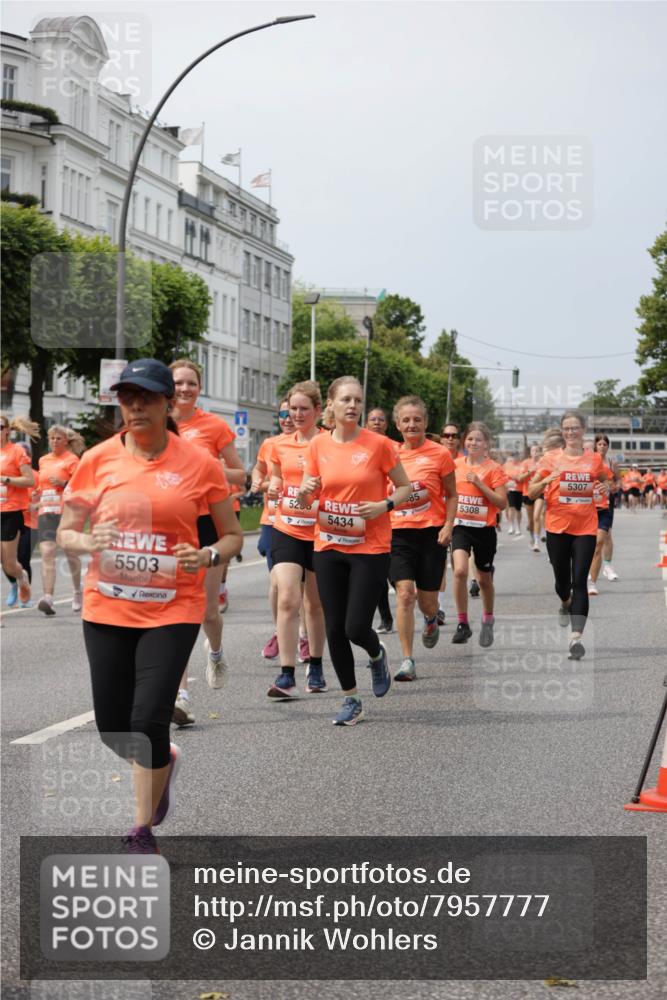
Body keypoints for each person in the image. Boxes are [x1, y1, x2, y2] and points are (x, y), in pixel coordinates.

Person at [57, 359, 242, 853]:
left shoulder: (198, 463)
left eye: (146, 397)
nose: (135, 406)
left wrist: (207, 555)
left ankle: (141, 830)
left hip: (173, 606)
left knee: (148, 721)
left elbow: (231, 535)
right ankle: (163, 763)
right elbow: (66, 532)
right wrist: (88, 540)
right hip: (107, 607)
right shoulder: (96, 459)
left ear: (167, 403)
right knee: (113, 729)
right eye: (127, 398)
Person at [297, 376, 411, 725]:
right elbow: (307, 499)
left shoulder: (379, 445)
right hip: (328, 543)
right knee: (334, 627)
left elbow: (405, 487)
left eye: (358, 400)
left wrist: (384, 505)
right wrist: (303, 491)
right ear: (331, 404)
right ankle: (351, 699)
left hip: (369, 546)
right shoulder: (317, 445)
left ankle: (376, 654)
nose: (353, 406)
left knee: (355, 627)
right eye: (346, 399)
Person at [169, 359, 246, 726]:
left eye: (191, 383)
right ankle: (181, 695)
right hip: (171, 523)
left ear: (199, 388)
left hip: (207, 522)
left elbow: (240, 475)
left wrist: (211, 469)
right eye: (178, 383)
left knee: (207, 612)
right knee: (177, 609)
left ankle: (215, 653)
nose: (185, 389)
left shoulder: (213, 426)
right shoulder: (156, 424)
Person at [528, 410, 607, 660]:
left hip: (585, 528)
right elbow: (530, 492)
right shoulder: (550, 458)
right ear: (562, 431)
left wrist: (605, 486)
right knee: (562, 583)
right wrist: (546, 481)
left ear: (583, 430)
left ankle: (576, 638)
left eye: (575, 428)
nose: (571, 432)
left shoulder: (594, 459)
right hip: (557, 529)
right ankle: (564, 602)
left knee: (579, 581)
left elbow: (606, 481)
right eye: (567, 428)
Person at [266, 381, 327, 698]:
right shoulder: (280, 445)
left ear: (318, 410)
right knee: (288, 597)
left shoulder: (329, 443)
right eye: (293, 409)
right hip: (286, 527)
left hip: (319, 532)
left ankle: (315, 664)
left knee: (313, 604)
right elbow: (276, 477)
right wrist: (273, 487)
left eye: (304, 409)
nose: (298, 414)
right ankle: (286, 673)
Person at [389, 396, 457, 681]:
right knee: (405, 594)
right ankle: (407, 660)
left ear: (426, 423)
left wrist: (448, 525)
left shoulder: (440, 454)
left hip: (431, 535)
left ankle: (431, 618)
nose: (411, 424)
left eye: (417, 419)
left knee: (427, 602)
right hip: (397, 534)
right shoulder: (389, 454)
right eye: (406, 420)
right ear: (397, 424)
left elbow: (451, 494)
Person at [450, 422, 507, 647]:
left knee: (484, 579)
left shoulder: (494, 469)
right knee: (460, 571)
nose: (473, 443)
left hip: (484, 530)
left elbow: (501, 503)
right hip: (460, 527)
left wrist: (481, 485)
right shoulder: (455, 465)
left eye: (478, 439)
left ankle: (488, 619)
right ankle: (462, 623)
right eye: (470, 439)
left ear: (486, 444)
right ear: (464, 441)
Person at [251, 400, 294, 660]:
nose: (288, 418)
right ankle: (280, 631)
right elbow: (259, 469)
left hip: (304, 521)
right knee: (278, 581)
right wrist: (258, 480)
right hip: (273, 519)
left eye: (293, 413)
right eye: (284, 414)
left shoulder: (316, 442)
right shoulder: (270, 444)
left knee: (302, 588)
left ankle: (304, 635)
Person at [35, 425, 85, 616]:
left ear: (66, 441)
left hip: (67, 512)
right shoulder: (43, 460)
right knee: (47, 552)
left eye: (58, 438)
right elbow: (42, 484)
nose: (54, 441)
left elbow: (81, 485)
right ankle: (48, 598)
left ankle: (77, 591)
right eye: (52, 438)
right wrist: (37, 493)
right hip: (47, 510)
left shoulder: (72, 460)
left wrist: (64, 483)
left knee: (70, 553)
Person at [1, 415, 38, 606]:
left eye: (0, 427)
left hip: (10, 512)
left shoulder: (17, 452)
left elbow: (29, 480)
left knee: (9, 564)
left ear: (7, 430)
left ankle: (22, 577)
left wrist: (6, 479)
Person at [365, 407, 394, 633]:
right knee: (377, 576)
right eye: (372, 419)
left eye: (380, 419)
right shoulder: (361, 447)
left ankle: (418, 604)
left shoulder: (394, 447)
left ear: (386, 424)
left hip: (396, 516)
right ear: (366, 423)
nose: (376, 422)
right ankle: (386, 618)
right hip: (370, 519)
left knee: (396, 575)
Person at [437, 423, 464, 623]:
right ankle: (440, 607)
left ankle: (461, 607)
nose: (450, 439)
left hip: (463, 519)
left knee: (458, 568)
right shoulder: (434, 458)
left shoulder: (465, 462)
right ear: (441, 438)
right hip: (440, 517)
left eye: (454, 435)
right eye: (446, 435)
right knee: (440, 563)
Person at [588, 434, 619, 594]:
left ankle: (607, 566)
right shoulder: (588, 460)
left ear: (608, 446)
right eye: (599, 444)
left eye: (604, 444)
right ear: (595, 446)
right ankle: (588, 568)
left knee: (605, 537)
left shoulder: (612, 462)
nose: (602, 447)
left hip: (605, 503)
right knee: (589, 541)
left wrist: (612, 487)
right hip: (588, 505)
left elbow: (617, 481)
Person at [504, 452, 524, 537]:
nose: (515, 459)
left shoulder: (521, 466)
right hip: (511, 489)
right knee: (511, 507)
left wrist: (516, 477)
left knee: (518, 509)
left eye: (516, 457)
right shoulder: (508, 466)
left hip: (519, 489)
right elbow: (505, 476)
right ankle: (511, 526)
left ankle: (518, 527)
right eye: (513, 457)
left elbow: (521, 477)